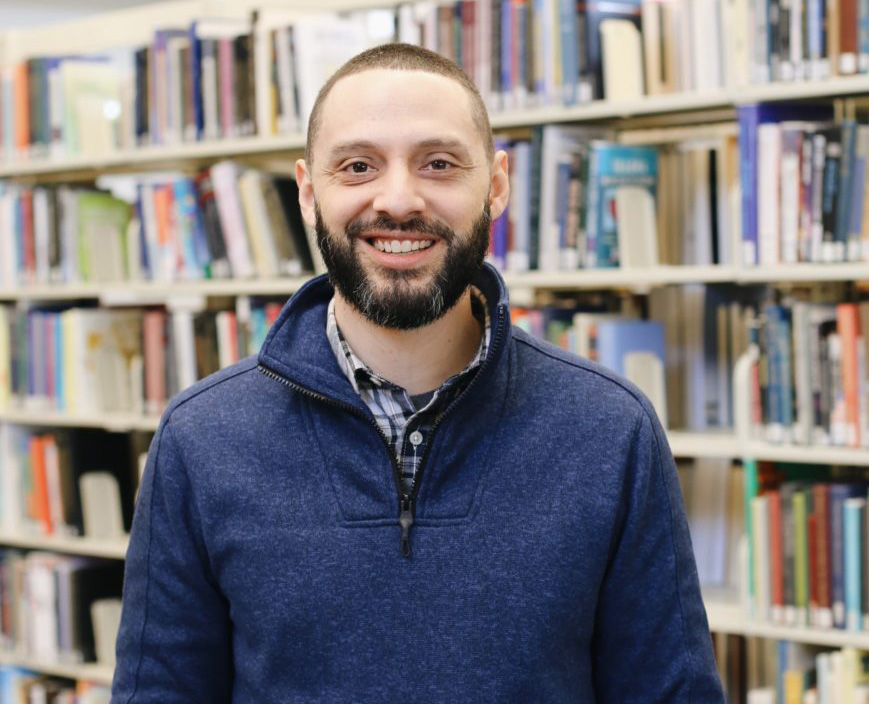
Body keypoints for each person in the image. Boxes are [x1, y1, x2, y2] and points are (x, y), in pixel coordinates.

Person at [112, 43, 725, 703]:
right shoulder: (200, 439)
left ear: (494, 185)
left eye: (437, 163)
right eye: (357, 166)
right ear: (308, 192)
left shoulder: (610, 430)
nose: (398, 199)